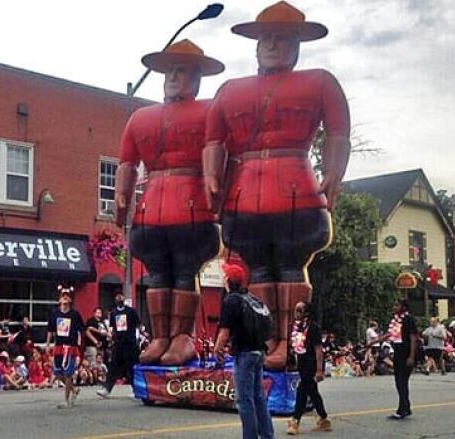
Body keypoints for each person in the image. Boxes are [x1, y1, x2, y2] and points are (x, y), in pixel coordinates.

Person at [204, 1, 350, 370]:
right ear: (255, 45)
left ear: (298, 46)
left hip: (297, 193)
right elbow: (213, 141)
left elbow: (338, 131)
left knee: (289, 268)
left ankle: (289, 342)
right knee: (260, 272)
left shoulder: (320, 82)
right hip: (243, 196)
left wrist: (333, 172)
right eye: (266, 38)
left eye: (283, 39)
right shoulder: (229, 90)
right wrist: (211, 178)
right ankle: (267, 339)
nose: (272, 45)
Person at [115, 39, 224, 367]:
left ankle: (182, 337)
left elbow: (219, 155)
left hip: (192, 210)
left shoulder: (209, 111)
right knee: (158, 275)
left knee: (183, 274)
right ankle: (160, 335)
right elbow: (126, 164)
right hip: (151, 211)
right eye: (170, 70)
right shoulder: (140, 118)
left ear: (196, 78)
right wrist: (121, 203)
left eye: (182, 71)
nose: (174, 76)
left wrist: (218, 195)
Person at [214, 264, 275, 439]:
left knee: (244, 400)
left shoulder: (231, 300)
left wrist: (217, 349)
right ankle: (267, 435)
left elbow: (224, 331)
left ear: (227, 279)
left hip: (244, 353)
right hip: (258, 351)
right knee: (259, 397)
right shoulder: (250, 297)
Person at [286, 302, 331, 435]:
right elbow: (297, 347)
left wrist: (319, 370)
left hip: (311, 363)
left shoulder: (314, 328)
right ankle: (323, 418)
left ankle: (295, 420)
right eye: (295, 310)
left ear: (307, 313)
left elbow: (318, 350)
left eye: (299, 310)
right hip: (302, 362)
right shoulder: (297, 328)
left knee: (302, 390)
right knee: (313, 392)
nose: (296, 313)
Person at [371, 299, 418, 419]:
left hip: (405, 352)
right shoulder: (396, 321)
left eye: (397, 305)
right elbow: (389, 335)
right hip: (397, 352)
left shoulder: (408, 319)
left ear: (403, 307)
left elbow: (413, 338)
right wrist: (373, 342)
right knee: (399, 382)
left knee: (402, 381)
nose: (394, 307)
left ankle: (403, 409)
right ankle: (405, 407)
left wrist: (411, 356)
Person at [46, 285, 85, 408]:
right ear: (59, 299)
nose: (65, 298)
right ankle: (74, 389)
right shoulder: (54, 314)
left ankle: (66, 400)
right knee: (57, 372)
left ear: (70, 300)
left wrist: (78, 345)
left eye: (67, 296)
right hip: (58, 346)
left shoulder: (75, 314)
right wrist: (47, 345)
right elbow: (50, 330)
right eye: (63, 296)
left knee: (68, 373)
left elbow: (81, 330)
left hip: (70, 346)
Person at [97, 291, 140, 398]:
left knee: (131, 366)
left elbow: (138, 325)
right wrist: (111, 338)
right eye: (117, 296)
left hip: (129, 343)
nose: (119, 298)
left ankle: (136, 389)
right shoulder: (114, 313)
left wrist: (137, 338)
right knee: (113, 365)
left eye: (120, 296)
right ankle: (107, 388)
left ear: (123, 298)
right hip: (118, 343)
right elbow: (112, 328)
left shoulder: (131, 311)